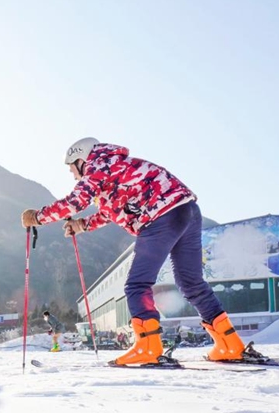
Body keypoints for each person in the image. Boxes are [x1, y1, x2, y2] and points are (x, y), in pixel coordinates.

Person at [21, 137, 259, 366]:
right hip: (187, 211)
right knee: (191, 283)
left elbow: (75, 202)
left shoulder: (98, 164)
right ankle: (229, 343)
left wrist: (38, 217)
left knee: (136, 285)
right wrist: (81, 225)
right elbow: (109, 210)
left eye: (72, 168)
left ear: (81, 159)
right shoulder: (115, 165)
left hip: (161, 216)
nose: (72, 174)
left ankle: (148, 347)